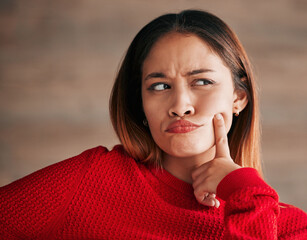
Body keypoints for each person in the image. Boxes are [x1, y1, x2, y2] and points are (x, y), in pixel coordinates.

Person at [0, 9, 306, 239]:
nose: (180, 106)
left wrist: (245, 191)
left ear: (239, 98)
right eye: (159, 86)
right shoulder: (90, 180)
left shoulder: (290, 228)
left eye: (202, 81)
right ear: (140, 104)